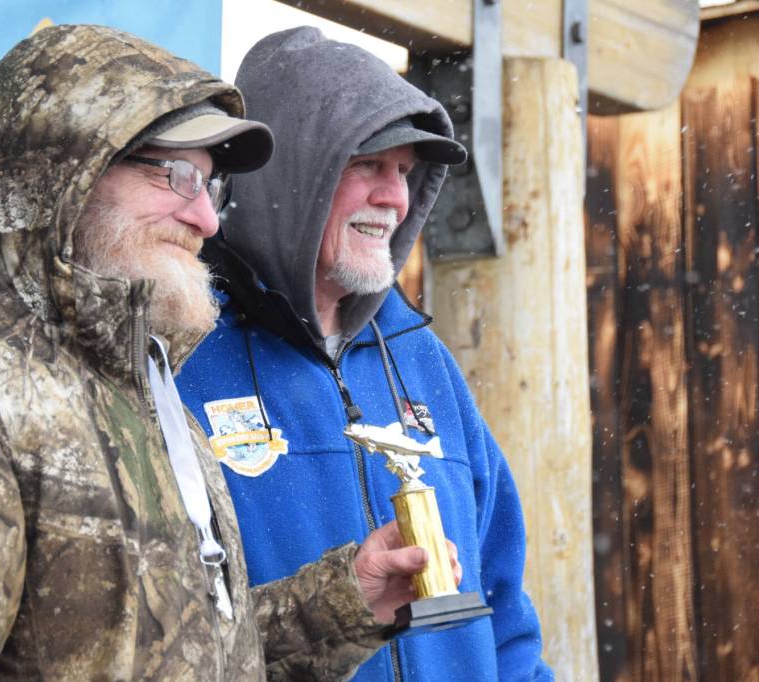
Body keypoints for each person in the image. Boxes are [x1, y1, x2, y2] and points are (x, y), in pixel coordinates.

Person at [0, 25, 454, 681]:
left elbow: (191, 657)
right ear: (70, 175)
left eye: (212, 189)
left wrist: (343, 603)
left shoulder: (146, 385)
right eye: (178, 176)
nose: (207, 221)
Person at [175, 27, 553, 680]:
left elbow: (505, 610)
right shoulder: (178, 362)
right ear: (288, 174)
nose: (396, 198)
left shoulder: (424, 360)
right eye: (369, 165)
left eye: (406, 172)